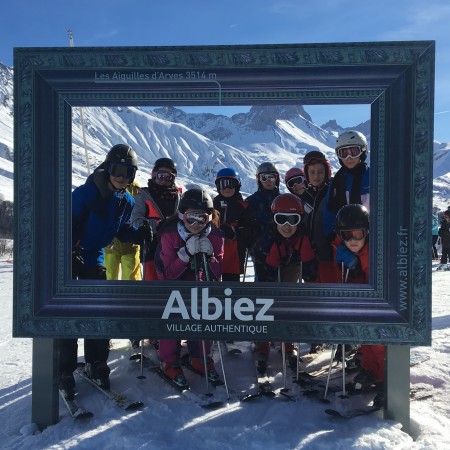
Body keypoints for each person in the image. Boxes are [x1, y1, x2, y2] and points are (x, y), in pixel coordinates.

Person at [61, 144, 152, 398]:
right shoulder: (86, 193)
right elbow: (63, 222)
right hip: (70, 255)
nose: (121, 177)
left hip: (94, 255)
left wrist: (139, 234)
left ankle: (96, 361)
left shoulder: (126, 200)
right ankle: (64, 368)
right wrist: (69, 247)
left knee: (97, 309)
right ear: (107, 167)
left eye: (128, 172)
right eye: (117, 170)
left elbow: (120, 230)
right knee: (69, 312)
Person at [155, 188, 224, 388]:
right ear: (181, 215)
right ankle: (169, 361)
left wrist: (210, 258)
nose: (196, 224)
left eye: (201, 218)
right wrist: (184, 255)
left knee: (203, 315)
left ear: (209, 218)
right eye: (191, 218)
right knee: (173, 315)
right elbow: (166, 276)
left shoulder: (216, 236)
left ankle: (200, 357)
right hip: (173, 290)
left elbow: (216, 274)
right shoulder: (170, 236)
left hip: (200, 288)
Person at [255, 193, 318, 372]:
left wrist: (309, 275)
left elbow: (310, 266)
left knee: (289, 303)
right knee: (265, 303)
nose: (287, 225)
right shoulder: (266, 239)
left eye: (293, 219)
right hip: (268, 266)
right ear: (274, 219)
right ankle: (262, 342)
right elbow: (260, 263)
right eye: (281, 219)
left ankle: (287, 341)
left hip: (291, 265)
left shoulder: (304, 237)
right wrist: (268, 275)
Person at [334, 204, 384, 404]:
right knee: (366, 339)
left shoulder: (374, 253)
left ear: (368, 232)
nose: (353, 240)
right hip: (363, 307)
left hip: (380, 309)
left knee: (379, 342)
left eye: (358, 234)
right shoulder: (348, 253)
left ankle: (389, 377)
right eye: (347, 235)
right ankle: (371, 371)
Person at [130, 157, 181, 281]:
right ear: (154, 175)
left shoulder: (179, 197)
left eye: (169, 177)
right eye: (161, 175)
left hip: (175, 249)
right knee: (151, 285)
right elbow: (135, 220)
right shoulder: (143, 195)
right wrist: (158, 224)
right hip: (151, 248)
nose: (164, 179)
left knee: (173, 282)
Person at [323, 130, 370, 239]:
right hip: (345, 238)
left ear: (363, 151)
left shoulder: (373, 178)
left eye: (353, 152)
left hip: (370, 237)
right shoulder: (337, 182)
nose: (349, 157)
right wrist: (331, 236)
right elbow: (330, 211)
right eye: (343, 153)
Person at [301, 151, 337, 284]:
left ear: (327, 172)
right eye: (312, 172)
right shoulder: (304, 198)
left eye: (320, 172)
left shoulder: (333, 194)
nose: (316, 176)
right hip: (309, 257)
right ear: (307, 174)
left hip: (329, 255)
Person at [244, 162, 280, 282]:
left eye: (272, 177)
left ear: (277, 179)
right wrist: (253, 246)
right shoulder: (251, 202)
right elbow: (246, 226)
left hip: (280, 249)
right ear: (259, 180)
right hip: (259, 251)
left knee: (281, 284)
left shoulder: (282, 201)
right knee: (261, 286)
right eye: (264, 177)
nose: (268, 181)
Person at [213, 168, 248, 282]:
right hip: (213, 251)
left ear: (237, 186)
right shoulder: (212, 205)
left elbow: (249, 228)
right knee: (212, 280)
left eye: (231, 184)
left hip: (234, 252)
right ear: (218, 187)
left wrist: (235, 231)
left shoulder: (242, 206)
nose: (227, 188)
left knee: (231, 283)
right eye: (223, 184)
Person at [104, 181, 142, 281]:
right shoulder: (107, 185)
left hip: (131, 243)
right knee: (109, 277)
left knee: (132, 280)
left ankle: (130, 296)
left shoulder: (135, 188)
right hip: (111, 244)